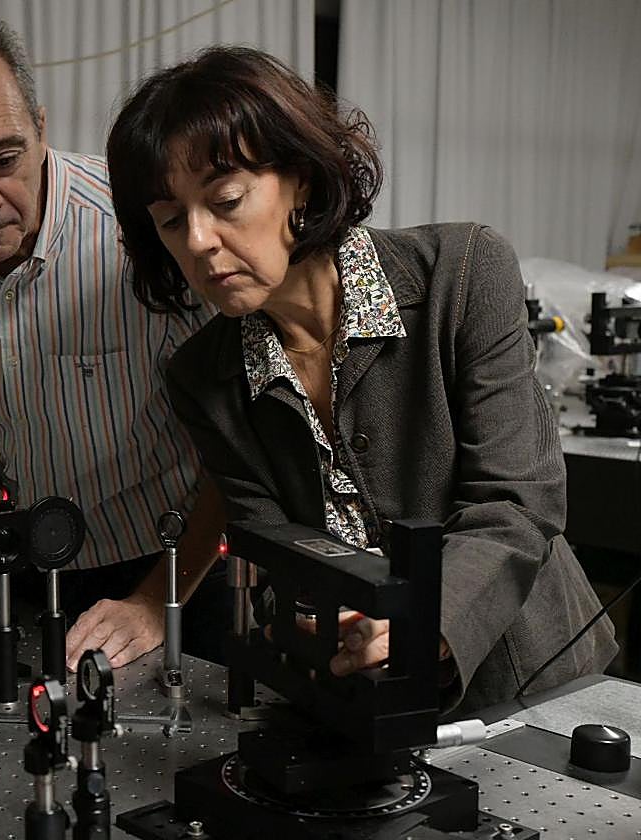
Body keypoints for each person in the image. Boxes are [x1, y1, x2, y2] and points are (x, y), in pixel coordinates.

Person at [104, 45, 617, 714]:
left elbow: (518, 504)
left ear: (302, 180)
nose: (198, 240)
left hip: (529, 682)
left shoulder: (463, 273)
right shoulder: (203, 377)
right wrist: (312, 619)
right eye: (172, 221)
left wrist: (424, 622)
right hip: (355, 693)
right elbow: (266, 550)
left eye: (225, 200)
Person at [0, 15, 229, 670]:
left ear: (40, 128)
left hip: (175, 569)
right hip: (20, 567)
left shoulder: (144, 232)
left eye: (5, 160)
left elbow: (246, 435)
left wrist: (157, 603)